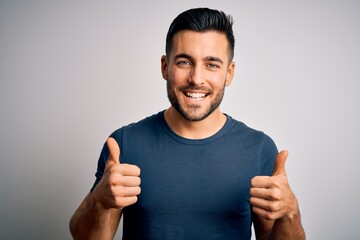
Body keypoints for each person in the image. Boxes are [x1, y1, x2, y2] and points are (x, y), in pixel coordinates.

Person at [69, 7, 305, 240]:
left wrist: (290, 214)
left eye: (212, 64)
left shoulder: (259, 149)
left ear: (229, 73)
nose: (196, 79)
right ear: (165, 67)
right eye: (184, 62)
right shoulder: (124, 144)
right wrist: (99, 202)